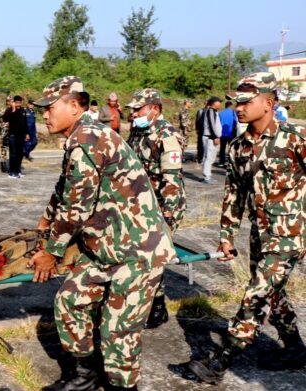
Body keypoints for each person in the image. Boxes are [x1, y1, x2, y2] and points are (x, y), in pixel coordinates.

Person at [30, 76, 176, 391]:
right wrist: (43, 225)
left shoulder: (87, 139)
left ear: (73, 104)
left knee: (117, 335)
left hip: (136, 251)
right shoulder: (81, 137)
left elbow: (76, 207)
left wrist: (52, 252)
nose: (45, 115)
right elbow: (64, 190)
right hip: (107, 247)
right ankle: (84, 375)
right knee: (71, 300)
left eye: (50, 108)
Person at [188, 72, 306, 384]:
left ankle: (221, 359)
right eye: (235, 101)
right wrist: (226, 236)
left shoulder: (295, 140)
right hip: (260, 234)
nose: (237, 107)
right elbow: (234, 195)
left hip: (290, 235)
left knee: (256, 294)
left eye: (246, 101)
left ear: (268, 103)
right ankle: (295, 348)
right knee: (273, 293)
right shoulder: (238, 147)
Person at [126, 88, 186, 329]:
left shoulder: (167, 134)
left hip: (164, 205)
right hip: (142, 204)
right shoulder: (138, 131)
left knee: (154, 257)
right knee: (144, 257)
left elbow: (172, 178)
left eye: (138, 109)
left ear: (155, 109)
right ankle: (154, 305)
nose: (133, 113)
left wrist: (168, 214)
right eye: (132, 109)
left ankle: (155, 308)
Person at [2, 95, 30, 178]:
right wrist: (13, 110)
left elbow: (25, 123)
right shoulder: (9, 110)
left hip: (21, 135)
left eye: (19, 103)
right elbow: (5, 119)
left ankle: (18, 171)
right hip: (13, 135)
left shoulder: (22, 110)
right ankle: (12, 172)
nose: (18, 104)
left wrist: (27, 133)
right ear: (13, 102)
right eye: (16, 102)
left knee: (20, 154)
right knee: (13, 154)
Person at [201, 96, 223, 184]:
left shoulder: (213, 111)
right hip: (210, 137)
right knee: (209, 157)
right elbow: (212, 124)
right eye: (219, 102)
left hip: (210, 137)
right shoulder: (211, 111)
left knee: (209, 157)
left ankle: (207, 176)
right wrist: (215, 137)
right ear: (215, 103)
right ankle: (207, 177)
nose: (220, 104)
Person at [218, 101, 238, 167]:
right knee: (231, 148)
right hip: (231, 133)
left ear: (225, 106)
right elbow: (236, 122)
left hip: (222, 133)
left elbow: (218, 123)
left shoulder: (220, 113)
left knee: (222, 148)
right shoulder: (233, 113)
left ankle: (221, 162)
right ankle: (230, 162)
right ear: (231, 105)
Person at [0, 96, 12, 173]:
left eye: (10, 101)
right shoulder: (3, 110)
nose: (9, 102)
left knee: (13, 149)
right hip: (5, 132)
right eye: (8, 101)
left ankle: (13, 166)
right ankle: (3, 166)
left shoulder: (15, 110)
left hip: (14, 132)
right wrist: (4, 125)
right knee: (4, 149)